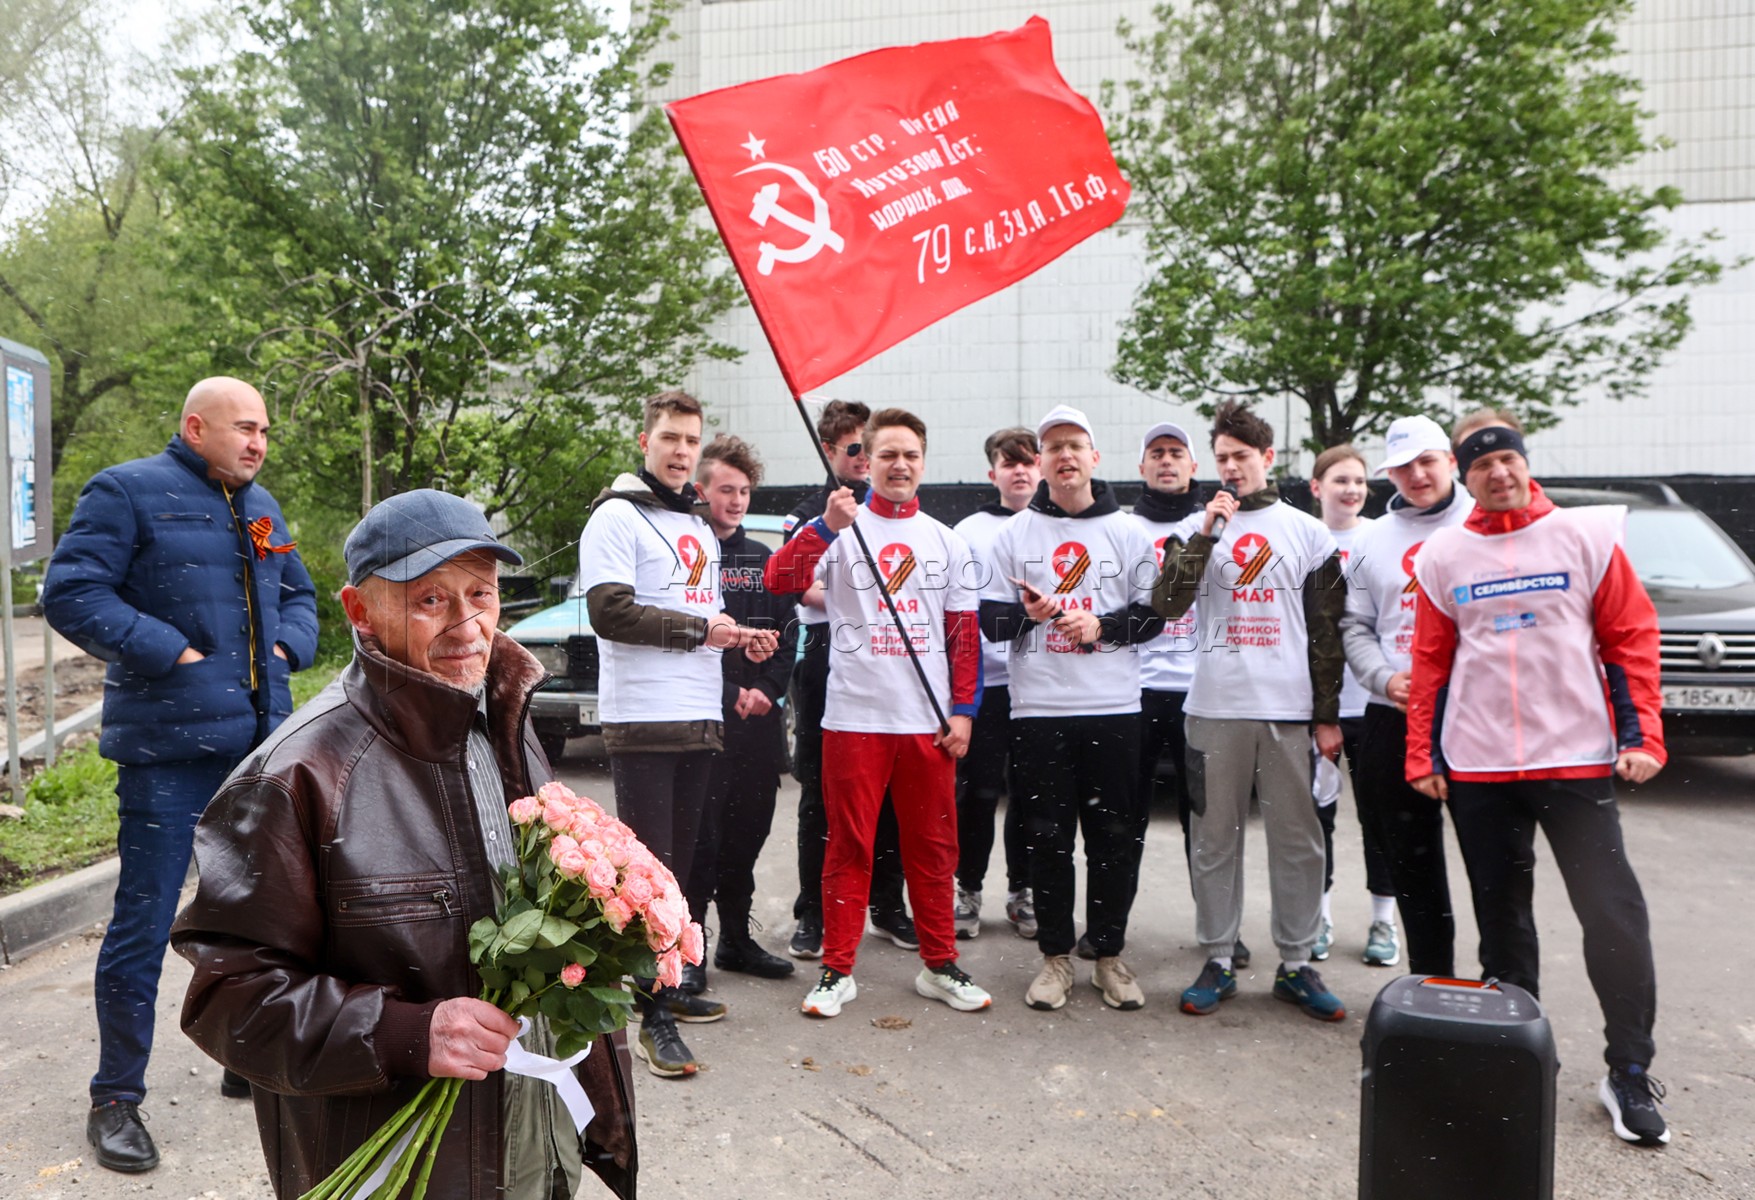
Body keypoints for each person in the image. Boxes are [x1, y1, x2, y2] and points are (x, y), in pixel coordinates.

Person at [171, 489, 638, 1199]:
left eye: (481, 593)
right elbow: (228, 1001)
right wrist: (403, 1034)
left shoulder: (501, 714)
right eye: (430, 600)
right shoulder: (293, 776)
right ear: (360, 610)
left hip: (530, 1137)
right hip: (406, 1165)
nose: (467, 625)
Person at [41, 376, 318, 1175]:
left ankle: (246, 1058)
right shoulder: (126, 491)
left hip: (259, 751)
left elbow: (299, 596)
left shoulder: (263, 507)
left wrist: (284, 650)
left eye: (264, 429)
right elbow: (71, 592)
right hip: (166, 755)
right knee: (144, 922)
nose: (259, 442)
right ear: (196, 428)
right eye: (244, 428)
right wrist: (170, 650)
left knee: (261, 917)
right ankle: (116, 1098)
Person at [1406, 409, 1670, 1147]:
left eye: (1506, 458)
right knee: (1503, 925)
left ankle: (1628, 1070)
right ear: (1463, 475)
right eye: (1479, 463)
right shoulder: (1441, 556)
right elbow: (1431, 662)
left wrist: (1641, 734)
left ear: (1524, 461)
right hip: (1480, 766)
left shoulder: (1585, 536)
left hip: (1576, 759)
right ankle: (1513, 1064)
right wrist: (1422, 756)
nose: (1496, 472)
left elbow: (1629, 636)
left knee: (1612, 916)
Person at [764, 407, 992, 1018]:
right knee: (849, 847)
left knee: (934, 845)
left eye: (910, 454)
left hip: (927, 724)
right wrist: (822, 528)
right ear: (866, 461)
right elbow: (777, 579)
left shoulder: (948, 543)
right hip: (852, 719)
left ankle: (940, 963)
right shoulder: (839, 527)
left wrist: (964, 711)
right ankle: (838, 969)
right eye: (885, 453)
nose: (898, 464)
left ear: (923, 461)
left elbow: (963, 637)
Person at [575, 390, 778, 1078]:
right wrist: (701, 631)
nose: (681, 450)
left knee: (681, 870)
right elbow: (610, 612)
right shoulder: (615, 516)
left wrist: (739, 639)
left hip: (700, 717)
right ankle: (648, 1014)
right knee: (649, 870)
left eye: (690, 440)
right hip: (643, 717)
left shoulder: (692, 524)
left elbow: (706, 611)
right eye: (669, 437)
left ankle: (665, 986)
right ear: (645, 441)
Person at [1152, 400, 1348, 1023]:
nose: (1232, 468)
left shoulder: (1309, 532)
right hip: (1214, 707)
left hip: (1288, 710)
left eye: (1243, 457)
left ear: (1268, 459)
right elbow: (1166, 604)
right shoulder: (1196, 527)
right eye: (1223, 459)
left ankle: (1296, 962)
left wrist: (1327, 715)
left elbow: (1326, 632)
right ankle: (1217, 958)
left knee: (1299, 840)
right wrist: (1208, 531)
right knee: (1215, 838)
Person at [980, 406, 1164, 1011]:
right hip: (1039, 712)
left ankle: (1108, 955)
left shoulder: (1131, 533)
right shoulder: (1014, 536)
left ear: (1094, 457)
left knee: (1115, 838)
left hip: (1114, 709)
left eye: (1075, 445)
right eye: (1052, 447)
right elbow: (988, 620)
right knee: (1047, 839)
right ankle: (1056, 958)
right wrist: (1024, 615)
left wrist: (1102, 626)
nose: (1064, 456)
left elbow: (1155, 616)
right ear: (1039, 462)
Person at [780, 399, 916, 959]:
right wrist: (853, 597)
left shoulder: (893, 511)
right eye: (856, 448)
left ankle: (887, 905)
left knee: (890, 792)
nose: (867, 458)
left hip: (889, 662)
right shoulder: (810, 513)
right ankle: (813, 912)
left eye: (874, 446)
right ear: (830, 451)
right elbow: (798, 586)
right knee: (821, 794)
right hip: (828, 659)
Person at [1339, 415, 1470, 978]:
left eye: (1427, 462)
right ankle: (1430, 982)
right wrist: (1381, 678)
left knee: (1494, 864)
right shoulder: (1371, 539)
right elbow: (1355, 625)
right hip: (1395, 713)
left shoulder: (1483, 522)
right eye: (1403, 466)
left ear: (1451, 462)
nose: (1416, 475)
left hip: (1476, 717)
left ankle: (1506, 993)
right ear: (1388, 473)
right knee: (1413, 864)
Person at [683, 435, 797, 986]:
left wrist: (769, 689)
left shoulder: (766, 560)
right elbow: (689, 639)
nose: (735, 500)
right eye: (725, 489)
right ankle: (691, 953)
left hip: (760, 729)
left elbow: (791, 634)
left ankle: (736, 941)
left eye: (744, 491)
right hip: (708, 726)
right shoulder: (689, 555)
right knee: (701, 845)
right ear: (702, 491)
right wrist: (733, 691)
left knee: (746, 840)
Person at [1307, 445, 1400, 966]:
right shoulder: (1305, 537)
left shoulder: (1377, 539)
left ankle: (1384, 923)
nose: (1352, 489)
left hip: (1373, 702)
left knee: (1379, 818)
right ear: (1317, 487)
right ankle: (1317, 917)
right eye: (1340, 480)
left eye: (1360, 481)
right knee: (1317, 817)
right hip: (1318, 704)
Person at [950, 426, 1041, 940]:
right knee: (979, 794)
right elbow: (960, 616)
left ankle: (1021, 891)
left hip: (1039, 685)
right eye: (1010, 463)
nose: (1021, 470)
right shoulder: (968, 531)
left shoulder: (1055, 527)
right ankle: (968, 889)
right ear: (994, 473)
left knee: (1029, 795)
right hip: (987, 684)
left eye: (1029, 461)